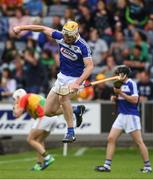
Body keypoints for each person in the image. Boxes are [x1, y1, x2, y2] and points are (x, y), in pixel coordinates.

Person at [13, 20, 93, 143]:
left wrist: (78, 82)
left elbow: (89, 66)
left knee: (63, 98)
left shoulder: (83, 46)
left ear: (75, 35)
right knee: (48, 111)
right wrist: (21, 27)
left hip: (76, 79)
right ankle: (76, 110)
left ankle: (70, 132)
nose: (65, 38)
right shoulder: (61, 36)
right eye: (65, 35)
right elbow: (42, 28)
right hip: (62, 77)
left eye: (68, 37)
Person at [95, 65, 152, 173]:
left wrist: (121, 93)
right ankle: (107, 166)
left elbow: (135, 100)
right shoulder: (118, 84)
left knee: (139, 142)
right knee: (111, 138)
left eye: (118, 73)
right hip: (121, 115)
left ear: (124, 74)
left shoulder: (131, 83)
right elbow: (119, 98)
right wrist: (115, 98)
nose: (116, 75)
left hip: (131, 115)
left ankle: (148, 167)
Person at [12, 88, 85, 171]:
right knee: (39, 141)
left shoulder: (23, 98)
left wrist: (14, 108)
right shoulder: (30, 98)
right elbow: (35, 115)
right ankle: (38, 164)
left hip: (44, 117)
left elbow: (17, 114)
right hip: (52, 118)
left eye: (14, 99)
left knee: (30, 139)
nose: (15, 101)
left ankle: (47, 157)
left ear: (18, 97)